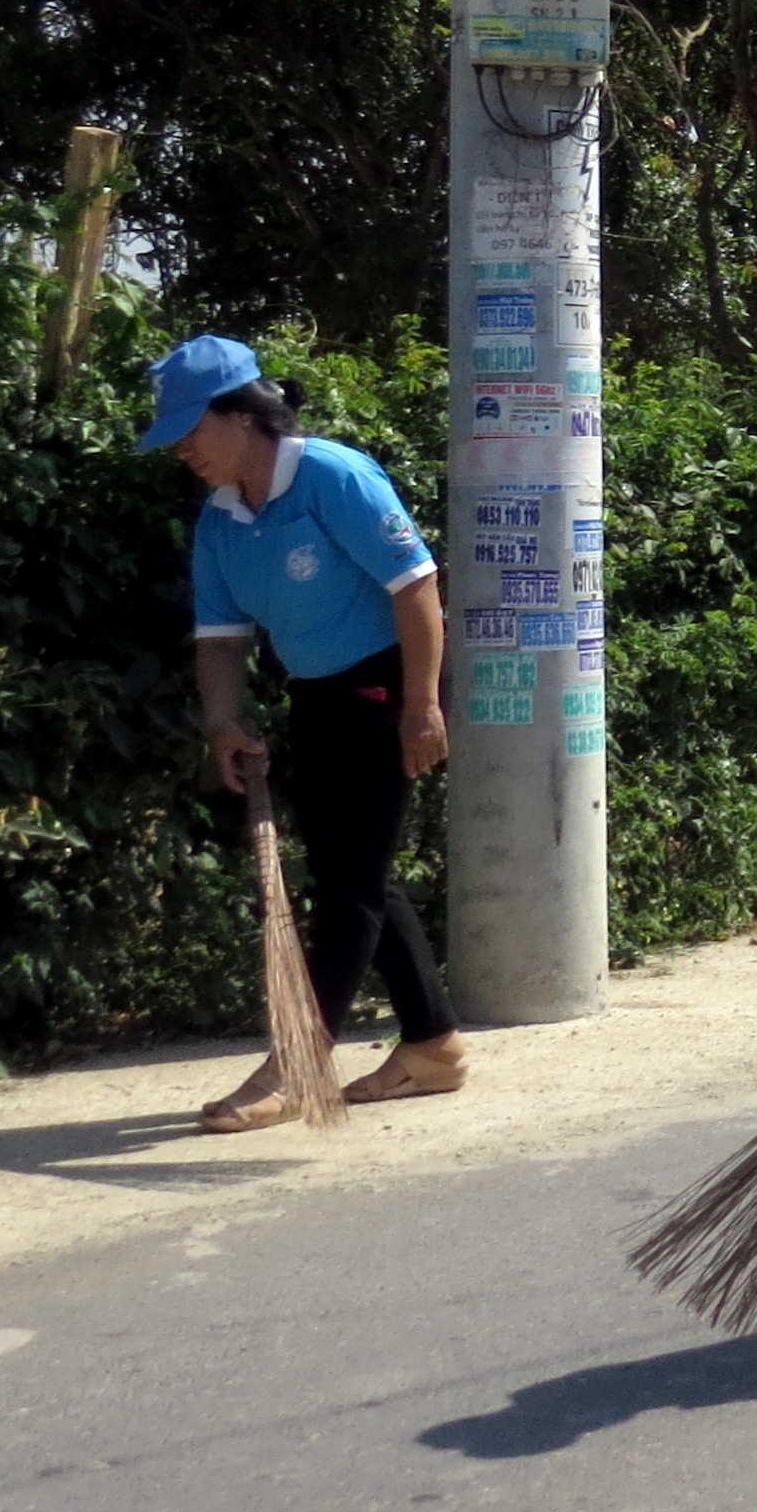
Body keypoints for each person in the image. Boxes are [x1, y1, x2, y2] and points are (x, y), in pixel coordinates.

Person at [146, 334, 464, 1130]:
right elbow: (220, 638)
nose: (182, 448)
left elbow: (418, 587)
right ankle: (433, 1046)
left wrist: (422, 707)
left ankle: (297, 1060)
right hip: (318, 693)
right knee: (355, 872)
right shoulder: (220, 519)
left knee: (348, 884)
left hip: (391, 680)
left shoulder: (331, 474)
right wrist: (222, 721)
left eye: (191, 428)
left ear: (244, 415)